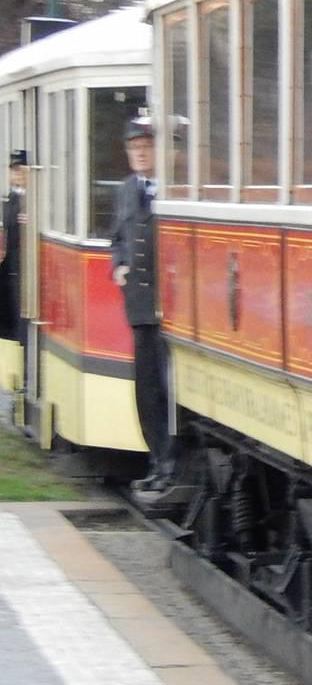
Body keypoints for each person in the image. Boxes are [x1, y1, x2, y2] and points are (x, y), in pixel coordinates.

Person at [109, 120, 173, 494]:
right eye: (135, 148)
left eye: (146, 146)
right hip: (140, 306)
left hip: (171, 309)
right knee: (147, 390)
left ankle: (173, 464)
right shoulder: (125, 190)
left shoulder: (176, 188)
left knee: (169, 388)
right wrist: (118, 265)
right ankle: (157, 462)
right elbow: (117, 238)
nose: (141, 154)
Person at [0, 150, 25, 342]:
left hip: (25, 263)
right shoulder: (11, 197)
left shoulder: (32, 198)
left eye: (20, 169)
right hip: (12, 262)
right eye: (14, 170)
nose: (17, 174)